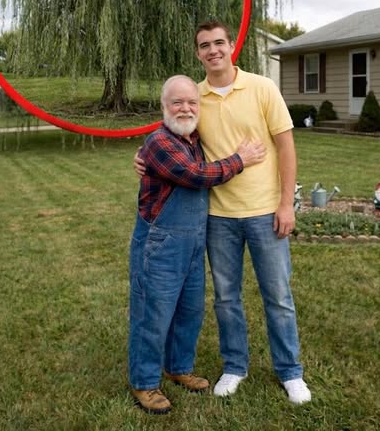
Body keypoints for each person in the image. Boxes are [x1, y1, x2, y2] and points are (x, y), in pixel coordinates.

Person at [135, 21, 311, 406]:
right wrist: (144, 155)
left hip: (265, 212)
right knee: (226, 298)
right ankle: (235, 366)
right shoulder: (194, 96)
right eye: (204, 45)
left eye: (219, 42)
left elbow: (286, 147)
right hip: (217, 216)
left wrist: (286, 204)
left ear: (232, 45)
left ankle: (290, 371)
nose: (213, 50)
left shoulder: (262, 88)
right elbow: (172, 137)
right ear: (198, 53)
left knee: (278, 296)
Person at [129, 74, 266, 415]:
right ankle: (144, 381)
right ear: (164, 107)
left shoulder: (194, 140)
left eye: (192, 102)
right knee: (153, 314)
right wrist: (240, 159)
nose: (185, 108)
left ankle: (178, 367)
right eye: (177, 102)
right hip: (161, 244)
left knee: (189, 311)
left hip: (192, 242)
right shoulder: (160, 143)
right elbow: (197, 175)